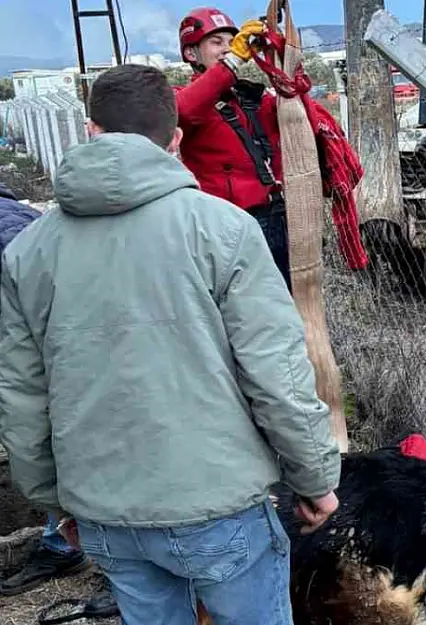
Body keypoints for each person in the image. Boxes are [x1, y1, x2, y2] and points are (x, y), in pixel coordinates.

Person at [0, 64, 341, 624]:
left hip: (105, 510)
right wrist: (315, 479)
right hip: (220, 506)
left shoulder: (28, 251)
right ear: (176, 138)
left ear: (90, 131)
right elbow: (276, 375)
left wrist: (55, 500)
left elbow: (21, 394)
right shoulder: (224, 229)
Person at [173, 7, 368, 288]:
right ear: (191, 54)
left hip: (278, 220)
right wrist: (234, 62)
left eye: (233, 41)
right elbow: (183, 112)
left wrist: (284, 66)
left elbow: (304, 123)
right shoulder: (183, 99)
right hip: (227, 228)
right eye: (217, 43)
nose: (228, 48)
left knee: (287, 306)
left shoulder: (254, 98)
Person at [0, 185, 104, 601]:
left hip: (61, 352)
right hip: (52, 348)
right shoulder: (18, 220)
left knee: (69, 442)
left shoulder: (12, 235)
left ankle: (98, 553)